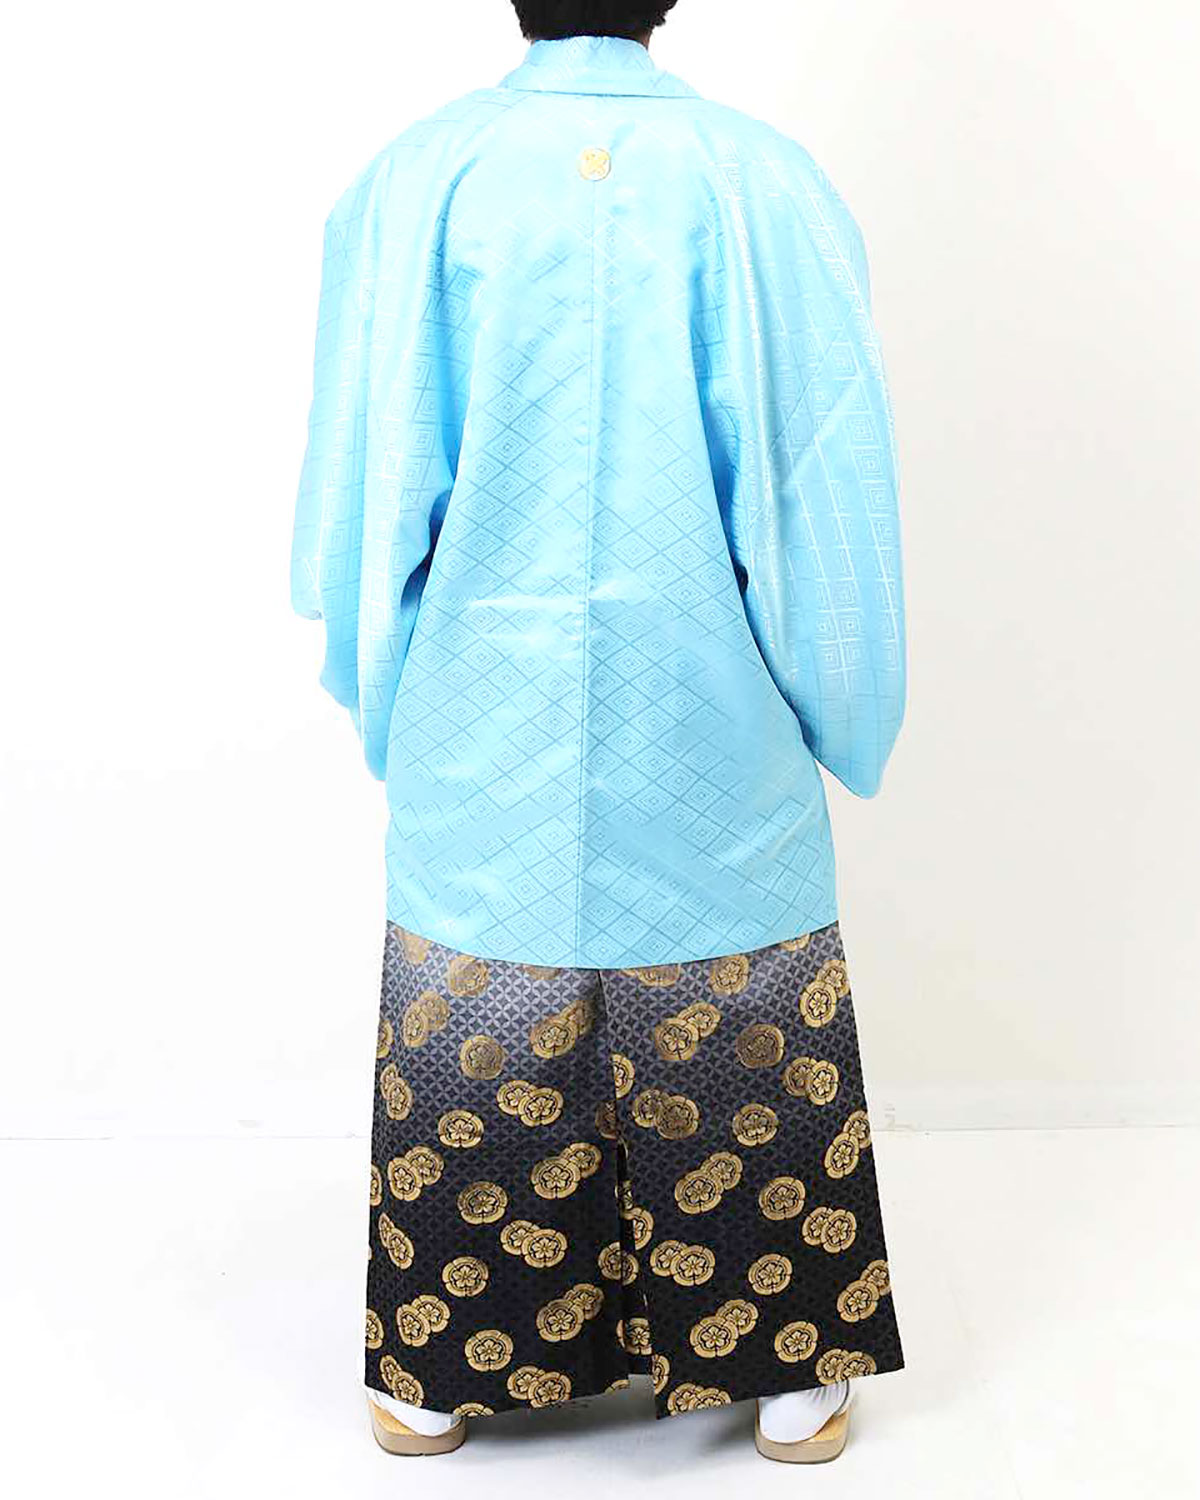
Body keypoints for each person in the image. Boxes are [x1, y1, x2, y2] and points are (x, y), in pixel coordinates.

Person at [291, 0, 907, 1464]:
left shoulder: (419, 175)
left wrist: (387, 686)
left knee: (481, 985)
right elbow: (823, 476)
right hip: (709, 685)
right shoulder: (760, 178)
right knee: (735, 986)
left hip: (480, 684)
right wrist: (841, 695)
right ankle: (787, 1364)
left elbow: (368, 468)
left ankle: (440, 1365)